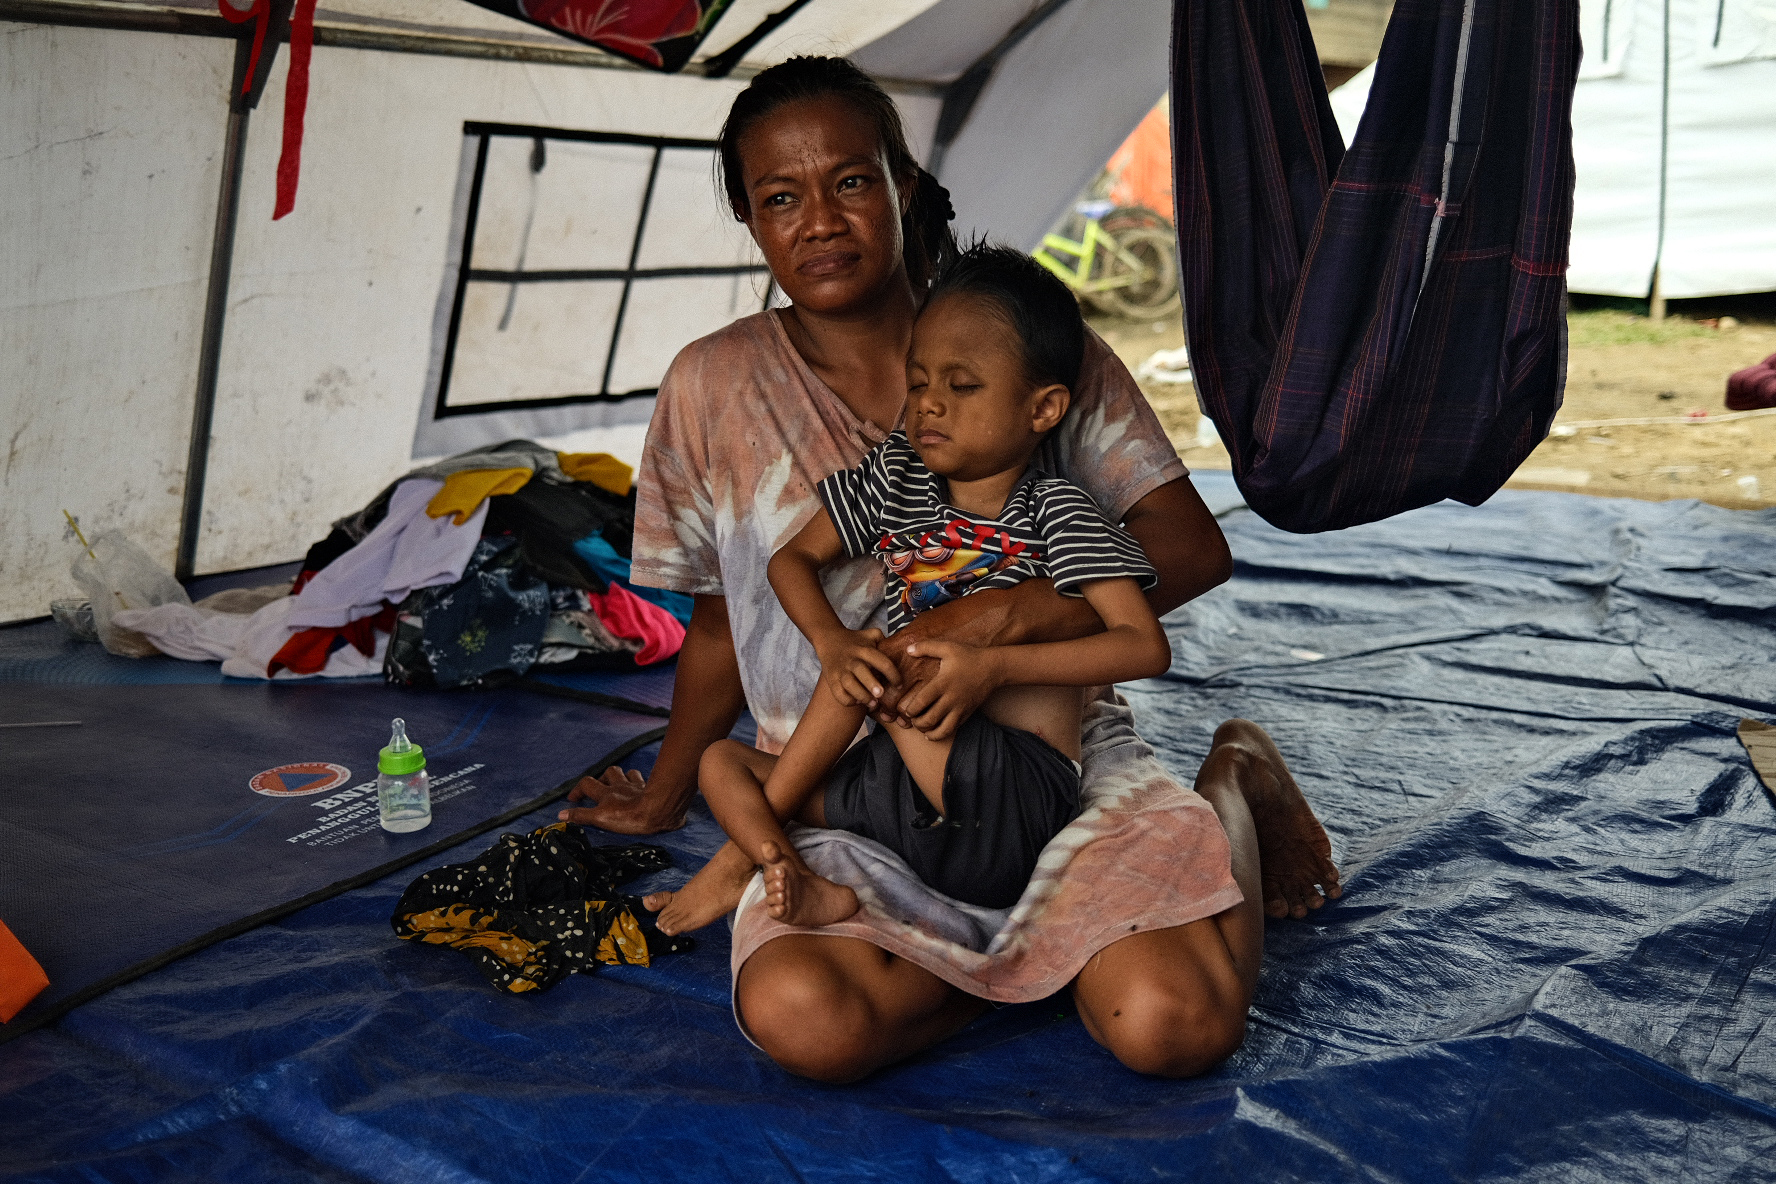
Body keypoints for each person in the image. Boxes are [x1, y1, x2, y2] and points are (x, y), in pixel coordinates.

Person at [558, 55, 1341, 1081]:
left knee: (1173, 1025)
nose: (820, 221)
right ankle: (1039, 962)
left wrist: (1009, 621)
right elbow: (720, 621)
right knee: (806, 1019)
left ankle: (1232, 773)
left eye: (849, 181)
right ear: (752, 224)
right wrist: (666, 793)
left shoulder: (1026, 346)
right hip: (844, 788)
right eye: (779, 198)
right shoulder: (714, 383)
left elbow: (1190, 546)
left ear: (905, 188)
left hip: (1044, 768)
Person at [702, 242, 1173, 926]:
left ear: (1043, 409)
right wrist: (832, 643)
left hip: (1011, 799)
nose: (929, 405)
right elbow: (789, 561)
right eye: (919, 382)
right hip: (904, 789)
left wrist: (994, 667)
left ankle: (736, 860)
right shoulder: (899, 478)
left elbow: (1142, 646)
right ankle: (782, 864)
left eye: (962, 385)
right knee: (723, 763)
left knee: (893, 659)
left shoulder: (1055, 509)